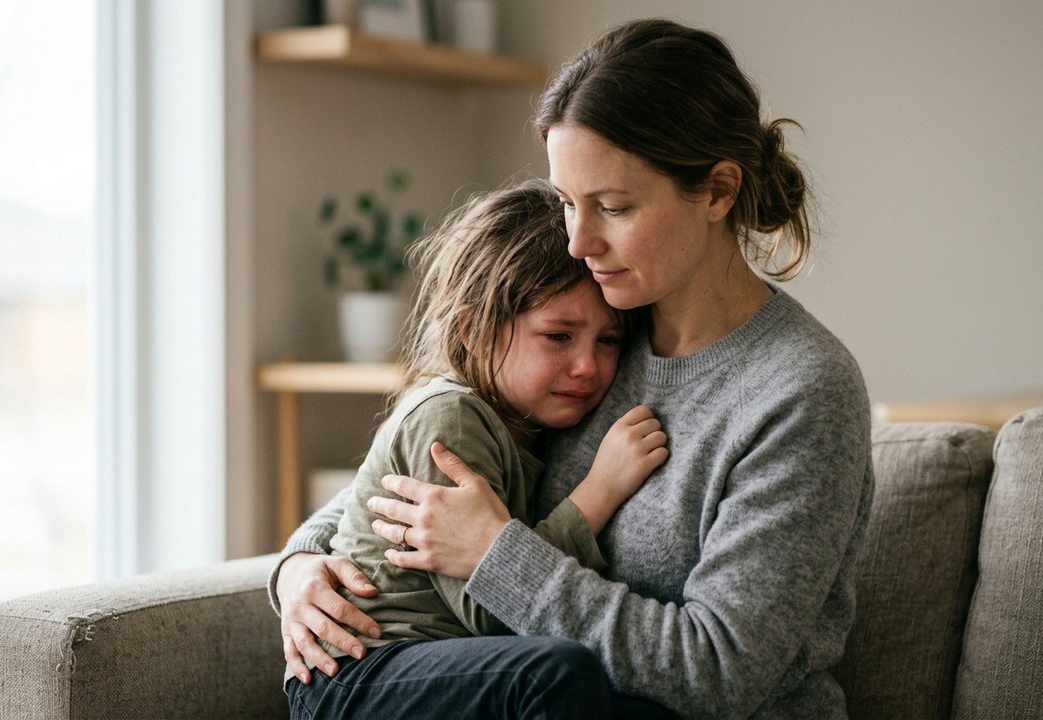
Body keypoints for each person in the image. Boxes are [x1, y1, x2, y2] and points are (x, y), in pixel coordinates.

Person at [272, 17, 874, 719]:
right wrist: (300, 568)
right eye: (566, 203)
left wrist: (497, 556)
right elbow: (417, 484)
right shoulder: (595, 337)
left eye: (613, 208)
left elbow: (718, 673)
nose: (579, 242)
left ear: (717, 191)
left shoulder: (800, 390)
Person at [276, 179, 669, 719]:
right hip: (358, 674)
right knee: (555, 674)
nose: (589, 366)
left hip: (439, 668)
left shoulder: (534, 419)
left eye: (609, 341)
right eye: (558, 336)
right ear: (475, 330)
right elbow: (488, 609)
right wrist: (599, 491)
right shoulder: (451, 418)